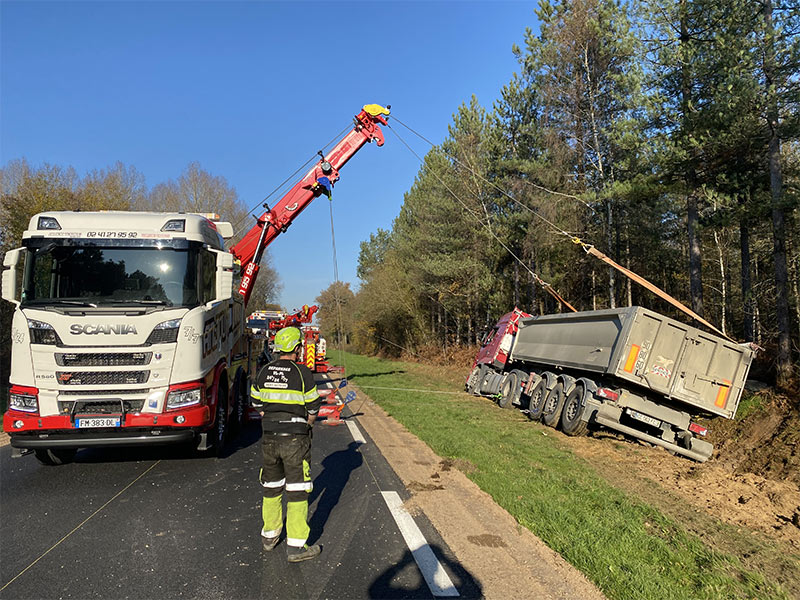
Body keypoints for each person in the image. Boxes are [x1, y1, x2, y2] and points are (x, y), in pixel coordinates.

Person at [251, 326, 322, 562]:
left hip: (269, 437)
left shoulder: (263, 372)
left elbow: (256, 402)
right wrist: (307, 423)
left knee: (271, 486)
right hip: (295, 438)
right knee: (297, 490)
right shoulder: (302, 373)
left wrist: (270, 417)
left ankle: (269, 537)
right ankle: (296, 547)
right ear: (297, 348)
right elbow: (313, 406)